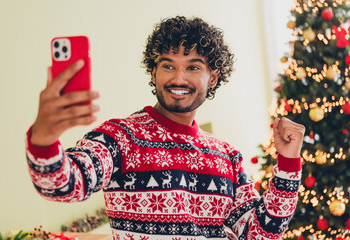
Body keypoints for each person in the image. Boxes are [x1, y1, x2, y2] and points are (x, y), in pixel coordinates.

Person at [26, 16, 305, 240]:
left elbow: (261, 233)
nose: (178, 78)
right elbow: (63, 185)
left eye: (193, 67)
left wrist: (288, 162)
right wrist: (44, 139)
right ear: (154, 72)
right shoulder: (121, 137)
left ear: (214, 76)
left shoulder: (227, 156)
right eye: (168, 65)